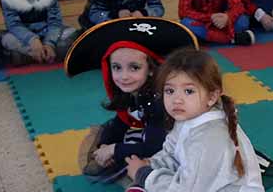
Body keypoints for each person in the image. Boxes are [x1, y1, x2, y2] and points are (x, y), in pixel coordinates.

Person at [124, 48, 265, 192]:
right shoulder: (190, 116)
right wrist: (151, 164)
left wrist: (144, 175)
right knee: (153, 189)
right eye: (169, 90)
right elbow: (172, 153)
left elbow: (187, 191)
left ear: (212, 96)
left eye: (188, 91)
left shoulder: (210, 138)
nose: (177, 99)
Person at [65, 17, 197, 177]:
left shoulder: (160, 100)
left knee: (142, 167)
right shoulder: (136, 91)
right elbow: (121, 120)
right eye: (117, 68)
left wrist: (114, 150)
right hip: (156, 133)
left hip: (185, 144)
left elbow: (155, 147)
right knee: (115, 135)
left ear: (150, 69)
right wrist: (104, 145)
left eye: (134, 68)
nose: (124, 76)